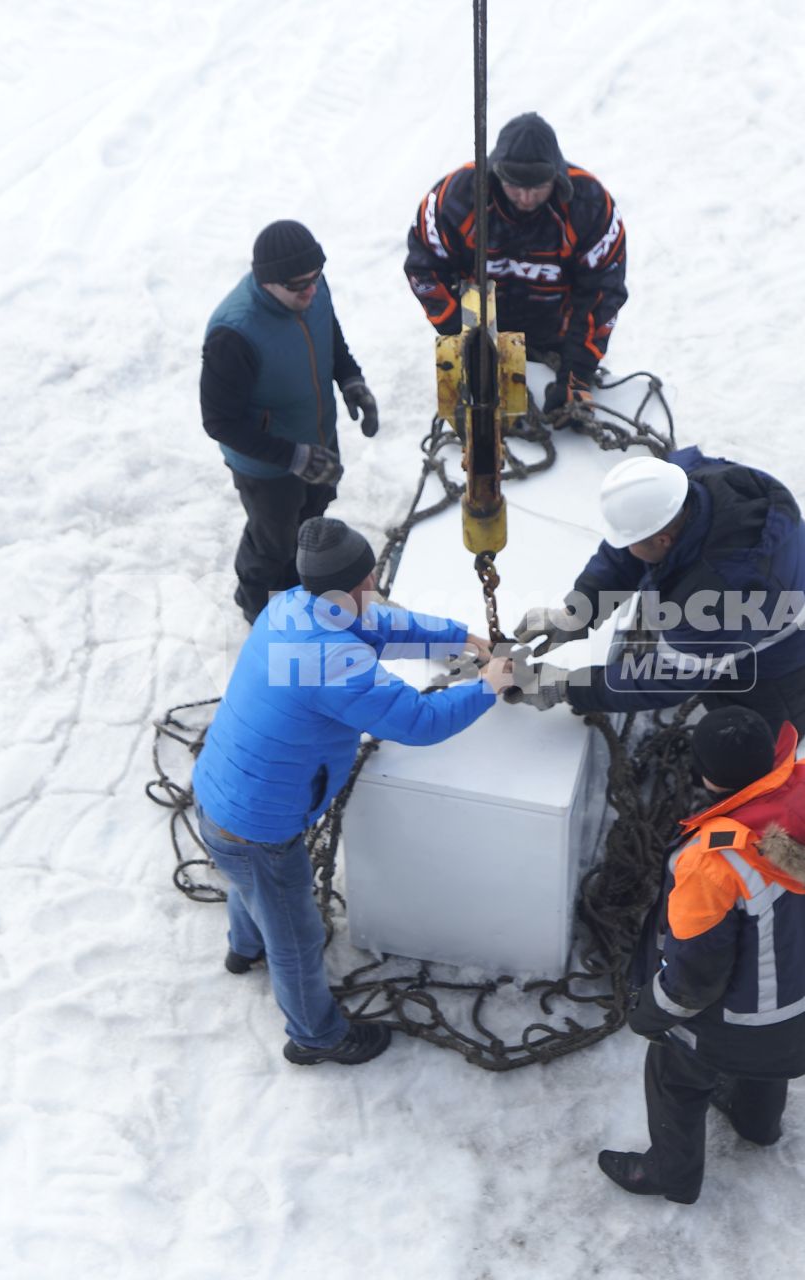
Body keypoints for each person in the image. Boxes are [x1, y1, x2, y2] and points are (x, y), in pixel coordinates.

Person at [190, 517, 515, 1066]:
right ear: (358, 582)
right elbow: (417, 722)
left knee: (251, 886)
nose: (376, 586)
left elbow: (384, 624)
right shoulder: (330, 659)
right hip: (258, 826)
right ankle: (316, 1037)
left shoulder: (292, 605)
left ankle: (244, 950)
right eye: (370, 577)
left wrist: (461, 638)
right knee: (294, 939)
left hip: (221, 795)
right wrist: (488, 686)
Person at [598, 706, 805, 1203]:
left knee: (673, 1073)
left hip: (746, 1029)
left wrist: (650, 1013)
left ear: (706, 774)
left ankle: (671, 1175)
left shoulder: (713, 860)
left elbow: (694, 978)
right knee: (764, 1061)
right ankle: (758, 1124)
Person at [513, 449, 805, 736]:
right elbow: (628, 548)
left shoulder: (717, 600)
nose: (624, 546)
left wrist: (568, 686)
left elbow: (669, 678)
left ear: (663, 540)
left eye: (632, 541)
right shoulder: (689, 484)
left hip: (804, 677)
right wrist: (578, 610)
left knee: (734, 741)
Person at [203, 220, 381, 623]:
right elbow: (219, 422)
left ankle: (300, 592)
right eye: (300, 285)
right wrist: (293, 457)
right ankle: (258, 611)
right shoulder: (233, 333)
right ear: (268, 283)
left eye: (316, 278)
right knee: (273, 540)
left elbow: (329, 337)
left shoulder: (311, 290)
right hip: (266, 464)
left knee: (312, 521)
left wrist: (351, 380)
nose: (312, 290)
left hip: (317, 439)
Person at [404, 112, 628, 416]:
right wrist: (460, 337)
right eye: (514, 186)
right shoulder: (455, 198)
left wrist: (578, 373)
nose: (525, 197)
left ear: (556, 179)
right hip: (475, 328)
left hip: (558, 339)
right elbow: (424, 268)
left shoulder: (590, 206)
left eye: (538, 187)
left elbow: (603, 293)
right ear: (496, 175)